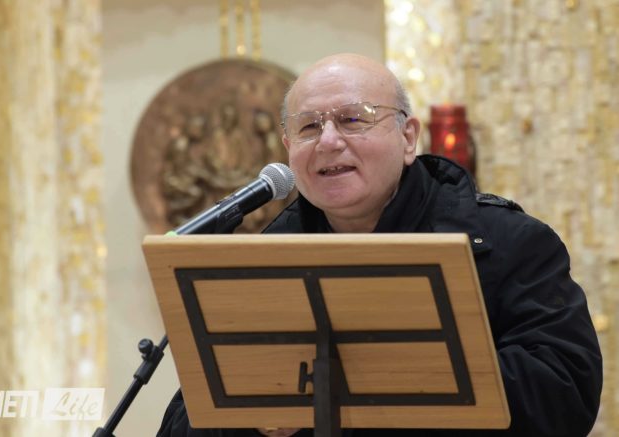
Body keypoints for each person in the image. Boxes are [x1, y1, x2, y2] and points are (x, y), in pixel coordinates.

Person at [157, 53, 602, 437]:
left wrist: (377, 375)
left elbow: (566, 394)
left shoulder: (508, 242)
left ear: (408, 138)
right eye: (309, 127)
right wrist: (256, 418)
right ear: (289, 148)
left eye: (353, 119)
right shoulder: (267, 258)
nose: (328, 141)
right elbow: (182, 422)